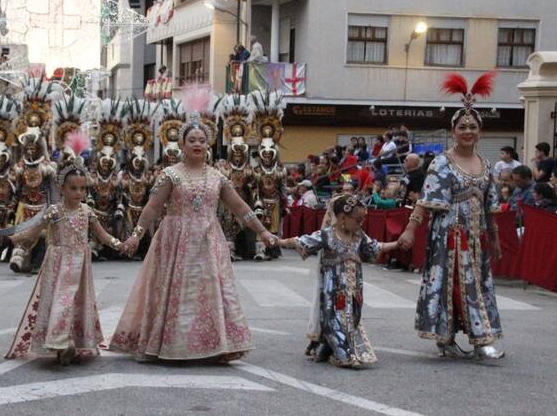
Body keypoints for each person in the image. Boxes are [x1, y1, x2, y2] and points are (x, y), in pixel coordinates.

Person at [110, 117, 279, 362]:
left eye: (201, 140)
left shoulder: (218, 177)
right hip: (174, 240)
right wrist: (136, 235)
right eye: (192, 140)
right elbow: (152, 208)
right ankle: (173, 345)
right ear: (182, 144)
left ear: (208, 144)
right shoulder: (170, 174)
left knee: (208, 292)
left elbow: (240, 207)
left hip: (209, 241)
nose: (197, 144)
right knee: (176, 292)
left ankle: (211, 345)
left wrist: (262, 231)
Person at [398, 72, 504, 361]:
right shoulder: (442, 162)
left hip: (477, 237)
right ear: (453, 130)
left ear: (480, 131)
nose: (468, 131)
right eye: (462, 127)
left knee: (477, 284)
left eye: (473, 127)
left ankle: (480, 336)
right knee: (453, 283)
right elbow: (425, 201)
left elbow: (489, 207)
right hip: (449, 235)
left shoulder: (486, 164)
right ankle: (456, 339)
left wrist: (494, 238)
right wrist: (410, 229)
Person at [5, 149, 123, 365]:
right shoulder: (54, 211)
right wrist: (15, 237)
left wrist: (120, 244)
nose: (79, 193)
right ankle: (60, 342)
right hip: (57, 266)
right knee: (61, 301)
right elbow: (34, 232)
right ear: (61, 189)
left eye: (83, 189)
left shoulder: (87, 211)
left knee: (76, 303)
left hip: (80, 267)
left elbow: (103, 236)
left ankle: (72, 341)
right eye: (73, 188)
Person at [279, 195, 399, 368]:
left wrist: (396, 244)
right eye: (357, 219)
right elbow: (301, 241)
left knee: (352, 320)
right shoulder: (327, 235)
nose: (361, 223)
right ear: (343, 218)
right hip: (333, 293)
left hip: (354, 291)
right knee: (334, 321)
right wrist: (277, 241)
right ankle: (345, 355)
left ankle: (330, 349)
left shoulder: (359, 236)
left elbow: (375, 247)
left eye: (363, 219)